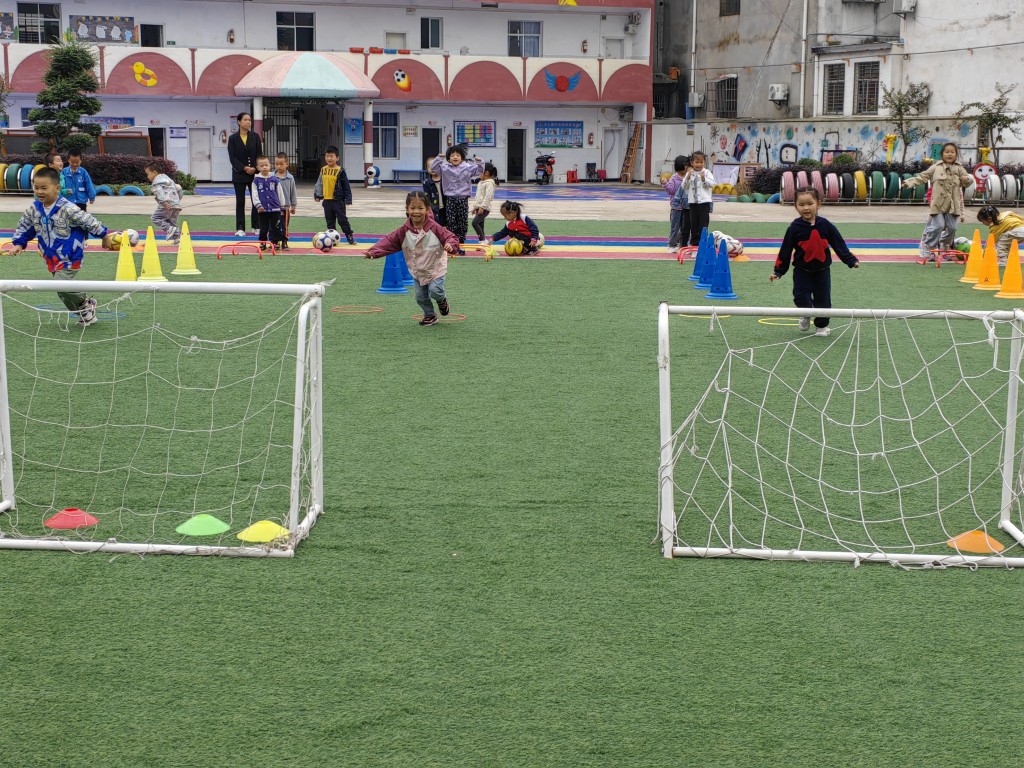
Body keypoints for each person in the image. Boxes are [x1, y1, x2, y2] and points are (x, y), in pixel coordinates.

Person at [7, 167, 115, 327]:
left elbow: (87, 220)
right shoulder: (34, 209)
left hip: (70, 255)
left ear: (57, 188)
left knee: (61, 284)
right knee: (61, 291)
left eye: (44, 188)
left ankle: (86, 302)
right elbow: (25, 227)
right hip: (51, 257)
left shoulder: (67, 208)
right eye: (36, 188)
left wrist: (104, 235)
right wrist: (18, 244)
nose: (39, 192)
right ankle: (85, 312)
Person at [769, 187, 859, 338]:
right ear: (795, 206)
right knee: (800, 297)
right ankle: (805, 313)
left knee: (823, 300)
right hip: (802, 271)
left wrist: (850, 260)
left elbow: (838, 243)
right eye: (801, 204)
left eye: (810, 203)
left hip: (822, 271)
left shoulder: (826, 225)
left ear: (818, 204)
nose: (806, 208)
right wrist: (778, 271)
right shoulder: (794, 228)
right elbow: (785, 250)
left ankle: (821, 326)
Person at [364, 191, 459, 327]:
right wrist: (373, 252)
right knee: (420, 297)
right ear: (407, 209)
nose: (416, 212)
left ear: (427, 209)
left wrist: (450, 244)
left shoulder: (434, 228)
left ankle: (441, 300)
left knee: (435, 291)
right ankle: (430, 315)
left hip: (436, 267)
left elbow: (450, 237)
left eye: (420, 208)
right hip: (417, 269)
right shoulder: (404, 230)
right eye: (413, 208)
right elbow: (389, 241)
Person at [901, 142, 972, 262]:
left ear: (956, 154)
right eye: (947, 152)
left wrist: (967, 179)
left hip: (952, 206)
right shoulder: (935, 167)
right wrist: (909, 182)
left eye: (952, 152)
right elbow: (922, 177)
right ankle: (927, 247)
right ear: (942, 154)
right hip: (938, 204)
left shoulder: (959, 168)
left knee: (952, 228)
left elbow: (967, 182)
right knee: (938, 226)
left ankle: (945, 246)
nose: (950, 154)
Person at [430, 144, 485, 254]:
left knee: (462, 222)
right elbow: (433, 168)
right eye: (452, 155)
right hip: (450, 199)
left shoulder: (467, 167)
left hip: (463, 199)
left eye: (458, 155)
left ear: (462, 158)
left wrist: (480, 162)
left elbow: (479, 171)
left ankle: (461, 243)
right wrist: (439, 158)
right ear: (448, 158)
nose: (455, 157)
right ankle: (452, 243)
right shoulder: (445, 168)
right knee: (451, 222)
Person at [227, 111, 262, 237]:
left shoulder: (255, 137)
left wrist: (255, 168)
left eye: (250, 120)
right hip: (239, 174)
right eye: (245, 120)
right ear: (239, 122)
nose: (248, 122)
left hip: (254, 174)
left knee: (256, 200)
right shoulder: (232, 139)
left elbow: (259, 155)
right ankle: (240, 227)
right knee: (240, 201)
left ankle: (256, 226)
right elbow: (232, 158)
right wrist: (244, 168)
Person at [313, 145, 355, 244]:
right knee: (330, 221)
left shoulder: (341, 171)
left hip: (338, 200)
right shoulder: (323, 169)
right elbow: (319, 183)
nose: (329, 158)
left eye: (331, 156)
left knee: (342, 220)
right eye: (327, 156)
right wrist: (318, 195)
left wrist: (348, 199)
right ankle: (331, 239)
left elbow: (346, 186)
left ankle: (349, 235)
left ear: (337, 158)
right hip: (327, 201)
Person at [250, 155, 283, 250]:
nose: (264, 167)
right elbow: (254, 194)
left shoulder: (274, 179)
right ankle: (262, 243)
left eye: (266, 165)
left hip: (275, 208)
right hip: (262, 209)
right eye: (262, 166)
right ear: (258, 168)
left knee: (276, 227)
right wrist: (258, 205)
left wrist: (282, 205)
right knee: (263, 228)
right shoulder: (256, 180)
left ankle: (275, 243)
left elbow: (279, 192)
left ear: (270, 166)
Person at [681, 151, 714, 246]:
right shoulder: (690, 173)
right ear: (692, 163)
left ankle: (703, 242)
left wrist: (704, 179)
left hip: (704, 202)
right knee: (693, 223)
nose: (699, 164)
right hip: (693, 203)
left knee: (703, 224)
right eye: (697, 162)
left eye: (701, 162)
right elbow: (684, 186)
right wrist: (687, 177)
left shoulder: (707, 172)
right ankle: (694, 243)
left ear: (704, 162)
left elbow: (712, 184)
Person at [145, 162, 182, 244]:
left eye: (148, 174)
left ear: (154, 172)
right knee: (172, 221)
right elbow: (178, 188)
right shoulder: (168, 179)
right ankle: (177, 239)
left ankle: (169, 229)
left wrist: (164, 203)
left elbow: (159, 192)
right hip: (176, 205)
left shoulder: (156, 182)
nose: (147, 176)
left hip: (166, 205)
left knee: (156, 218)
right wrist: (177, 201)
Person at [663, 155, 689, 252]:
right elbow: (671, 190)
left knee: (685, 228)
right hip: (676, 208)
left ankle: (682, 245)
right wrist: (665, 184)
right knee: (675, 227)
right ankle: (671, 245)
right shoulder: (674, 178)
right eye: (686, 165)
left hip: (686, 207)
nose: (687, 167)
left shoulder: (688, 177)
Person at [274, 153, 297, 250]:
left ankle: (284, 241)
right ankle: (275, 242)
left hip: (286, 207)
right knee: (274, 225)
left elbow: (293, 192)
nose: (279, 166)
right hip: (274, 207)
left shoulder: (290, 178)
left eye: (281, 164)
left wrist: (293, 205)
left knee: (285, 225)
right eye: (276, 164)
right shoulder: (271, 177)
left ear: (287, 164)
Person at [471, 162, 498, 243]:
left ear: (486, 173)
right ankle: (483, 241)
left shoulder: (489, 183)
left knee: (474, 223)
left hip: (484, 208)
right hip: (479, 207)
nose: (478, 174)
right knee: (480, 225)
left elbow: (487, 197)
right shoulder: (481, 182)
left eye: (480, 172)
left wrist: (482, 207)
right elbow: (479, 196)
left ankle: (482, 240)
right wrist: (475, 207)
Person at [423, 157, 446, 228]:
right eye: (429, 167)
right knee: (435, 226)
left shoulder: (445, 179)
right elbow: (427, 197)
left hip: (446, 208)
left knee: (446, 227)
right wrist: (428, 208)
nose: (432, 168)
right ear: (427, 169)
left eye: (435, 165)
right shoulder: (426, 182)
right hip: (434, 209)